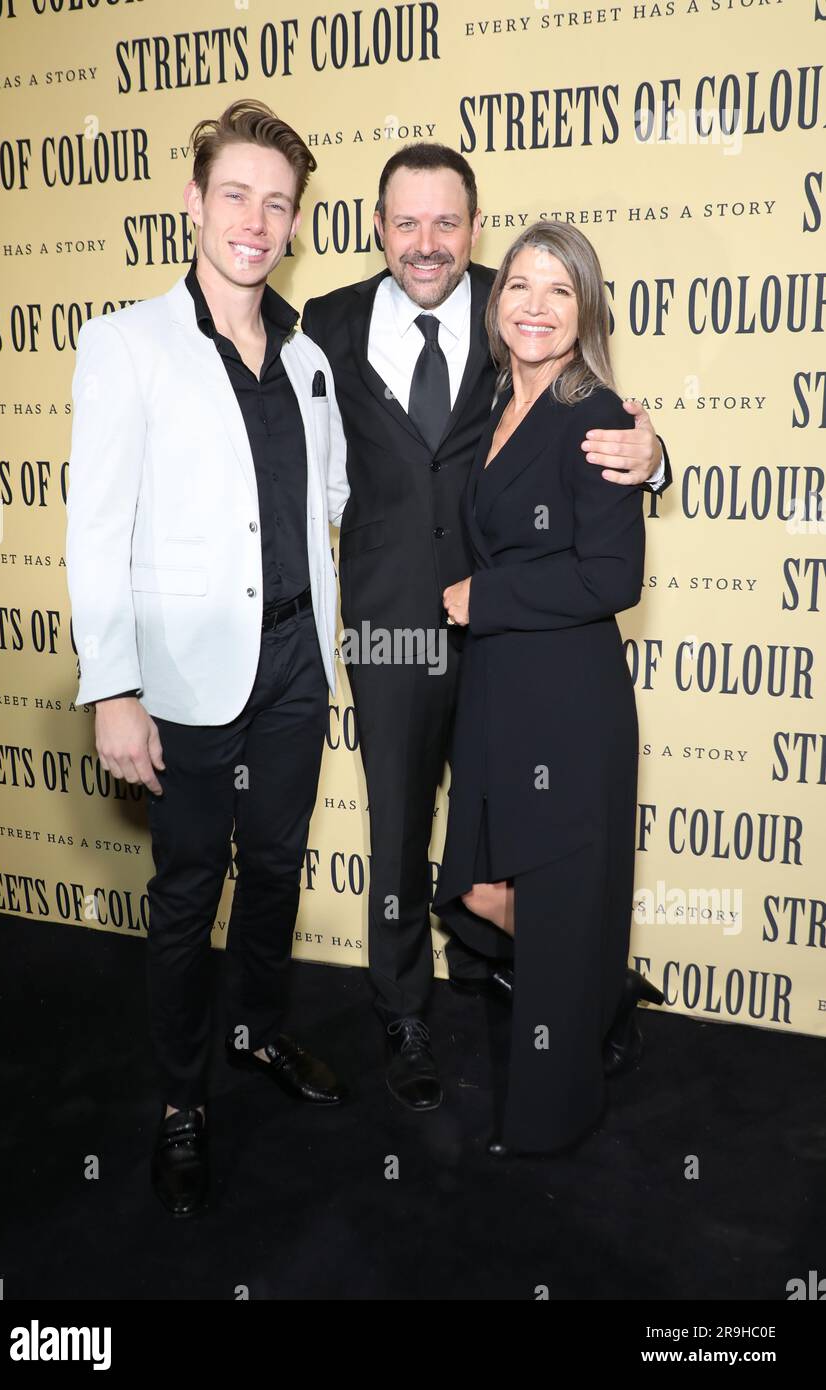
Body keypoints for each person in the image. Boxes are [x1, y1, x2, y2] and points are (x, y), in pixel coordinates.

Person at [301, 145, 670, 1112]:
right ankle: (405, 1007)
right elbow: (298, 474)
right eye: (406, 222)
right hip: (393, 623)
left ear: (475, 230)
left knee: (521, 821)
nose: (427, 244)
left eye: (448, 223)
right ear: (377, 225)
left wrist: (657, 454)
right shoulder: (325, 324)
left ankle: (547, 981)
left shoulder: (511, 312)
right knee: (400, 822)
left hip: (511, 630)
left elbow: (587, 423)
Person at [65, 100, 350, 1218]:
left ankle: (258, 1035)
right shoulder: (125, 342)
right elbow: (97, 527)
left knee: (274, 870)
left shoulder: (311, 359)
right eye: (235, 193)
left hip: (290, 664)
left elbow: (323, 503)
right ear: (193, 201)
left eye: (277, 203)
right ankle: (182, 1102)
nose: (255, 219)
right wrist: (113, 688)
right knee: (190, 890)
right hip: (181, 676)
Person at [434, 220, 665, 1157]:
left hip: (567, 698)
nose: (535, 306)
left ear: (587, 309)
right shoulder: (496, 399)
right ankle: (598, 995)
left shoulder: (595, 411)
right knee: (485, 888)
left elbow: (613, 578)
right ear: (496, 304)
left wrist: (485, 595)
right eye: (520, 287)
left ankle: (551, 1116)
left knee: (558, 900)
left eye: (559, 291)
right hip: (498, 685)